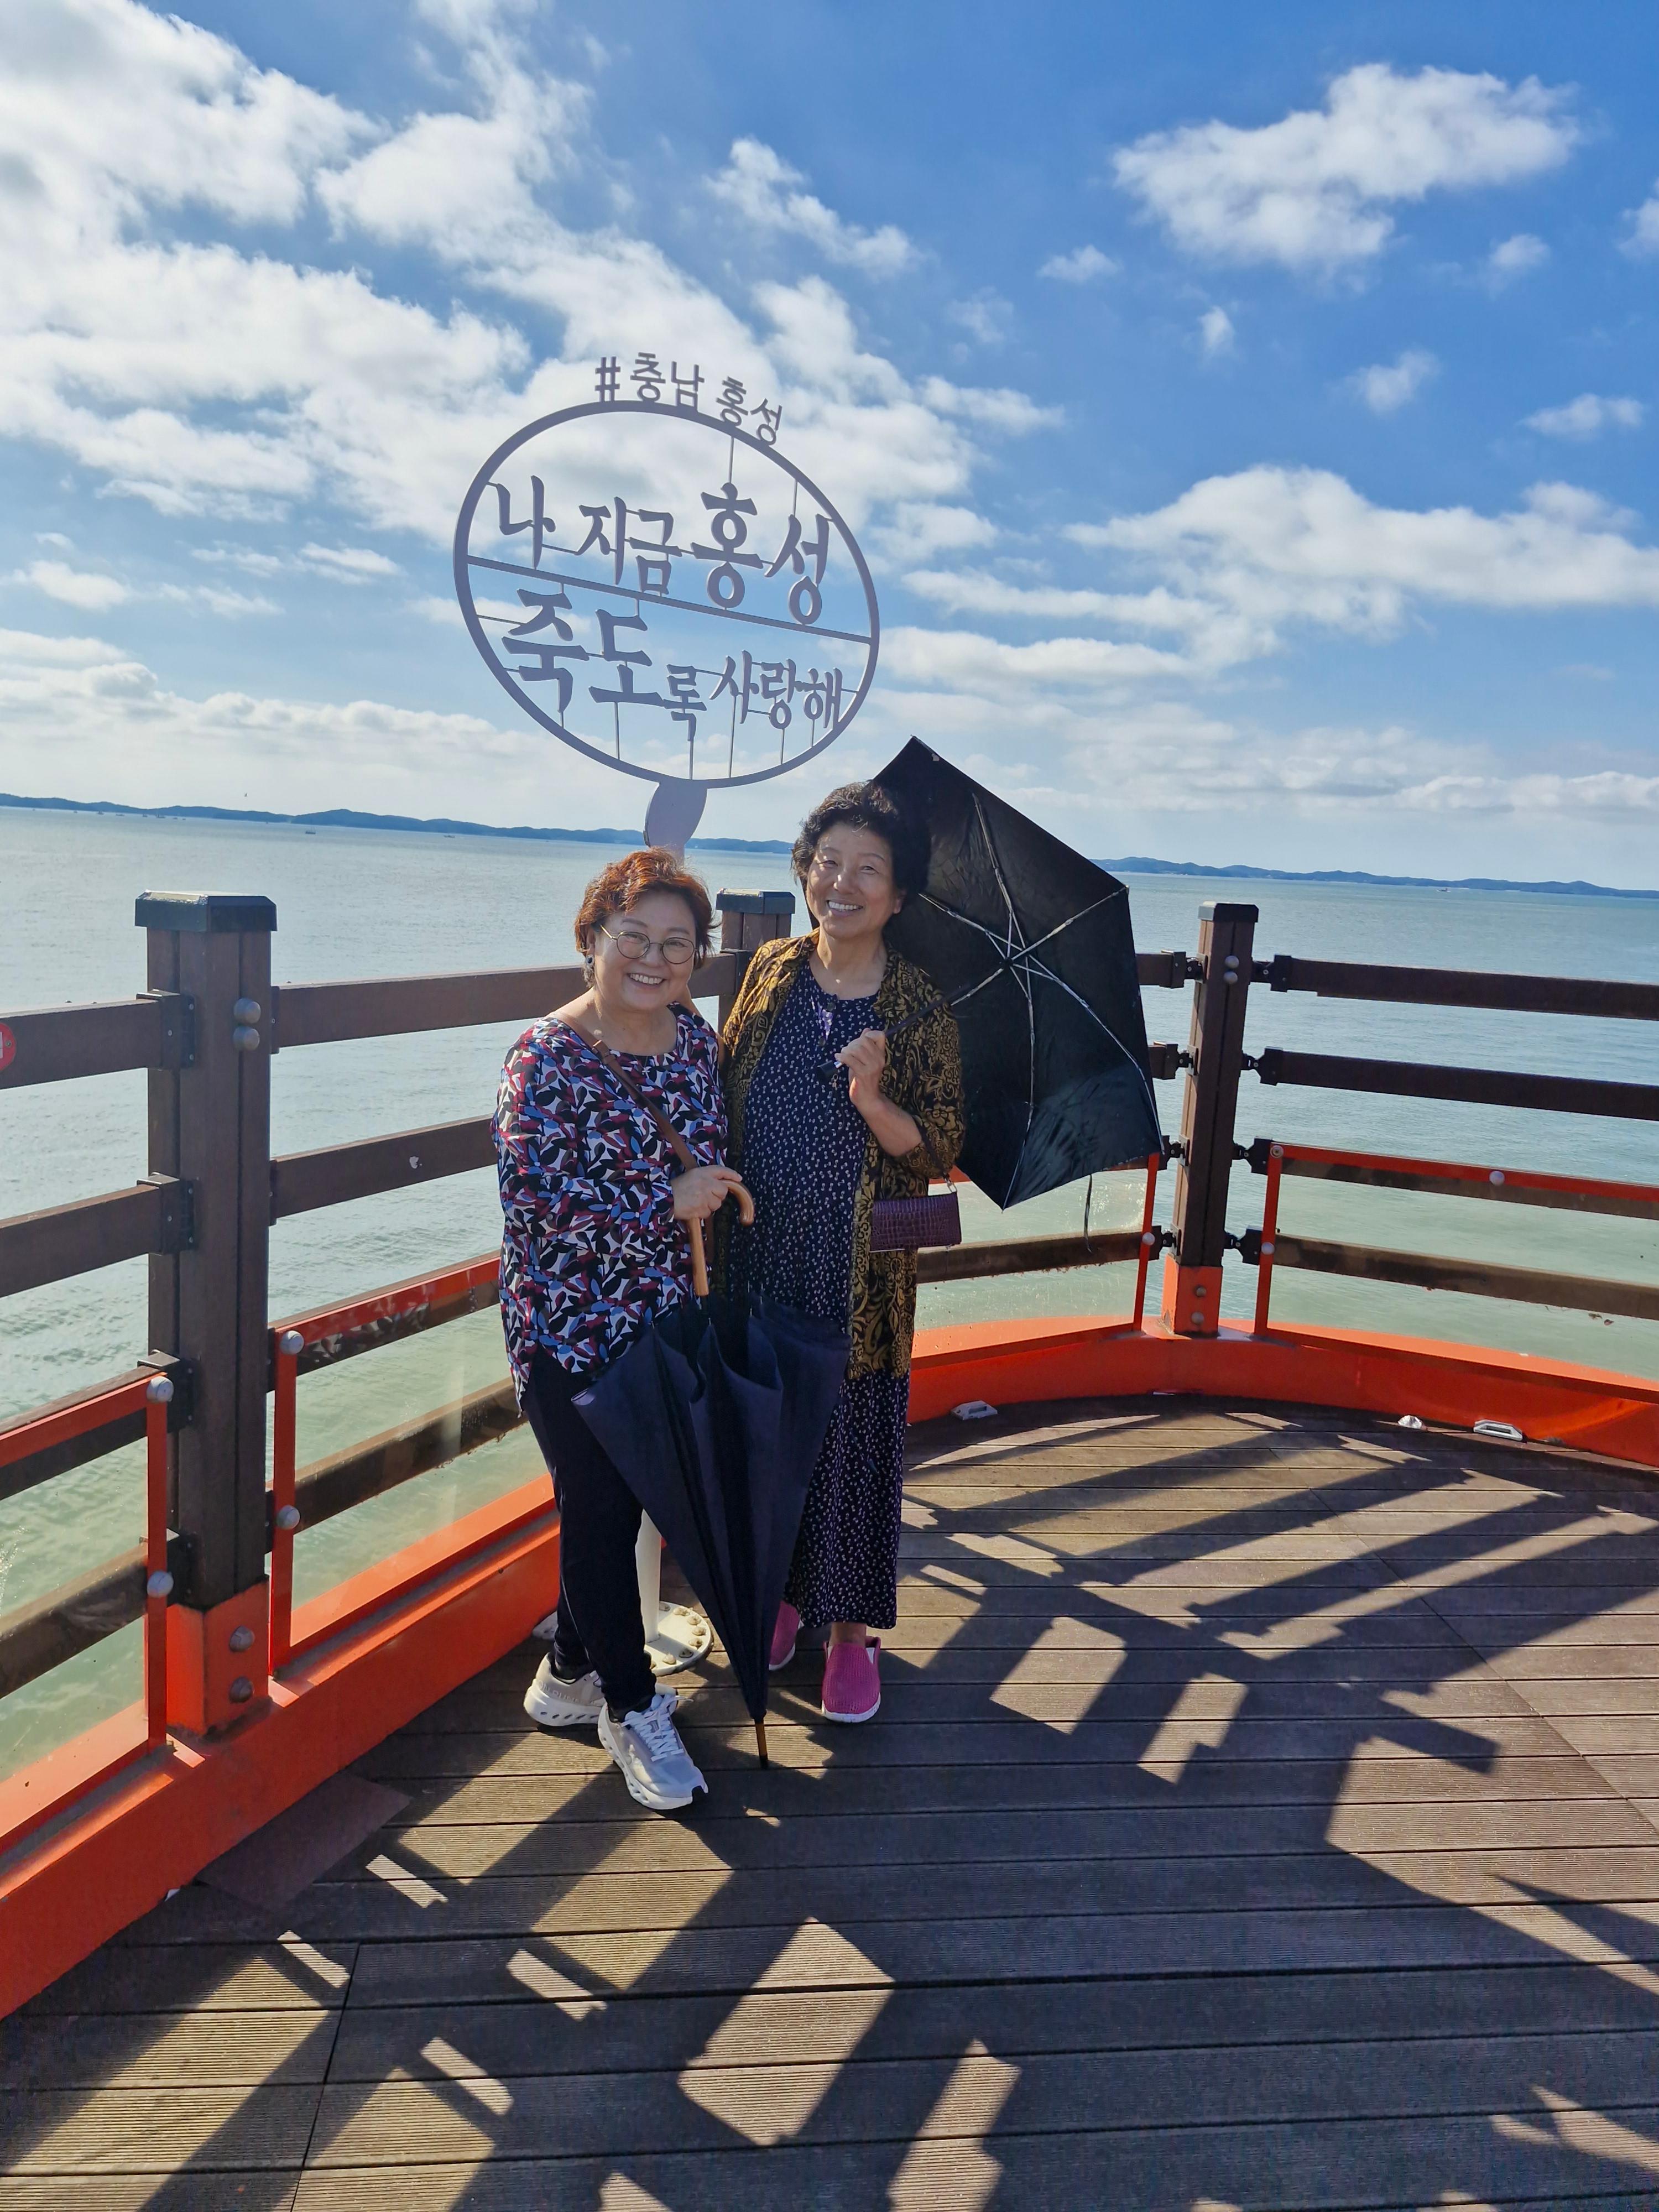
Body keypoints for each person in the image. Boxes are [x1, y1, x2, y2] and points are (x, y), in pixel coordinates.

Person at [495, 848, 746, 1812]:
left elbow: (713, 1150)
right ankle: (630, 1707)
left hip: (662, 1320)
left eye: (677, 944)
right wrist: (663, 1200)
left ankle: (568, 1672)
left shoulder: (693, 1041)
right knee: (600, 1508)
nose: (653, 959)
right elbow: (533, 1206)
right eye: (633, 936)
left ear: (697, 959)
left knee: (628, 1500)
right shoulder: (544, 1057)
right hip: (567, 1326)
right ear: (591, 938)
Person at [718, 783, 963, 1722]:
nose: (842, 884)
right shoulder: (772, 968)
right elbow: (723, 1081)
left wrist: (873, 1100)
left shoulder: (917, 1006)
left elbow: (939, 1148)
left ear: (898, 896)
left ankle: (851, 1633)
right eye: (828, 863)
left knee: (853, 1440)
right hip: (760, 1251)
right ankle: (782, 1598)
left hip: (860, 1266)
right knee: (768, 1433)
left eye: (869, 869)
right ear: (805, 872)